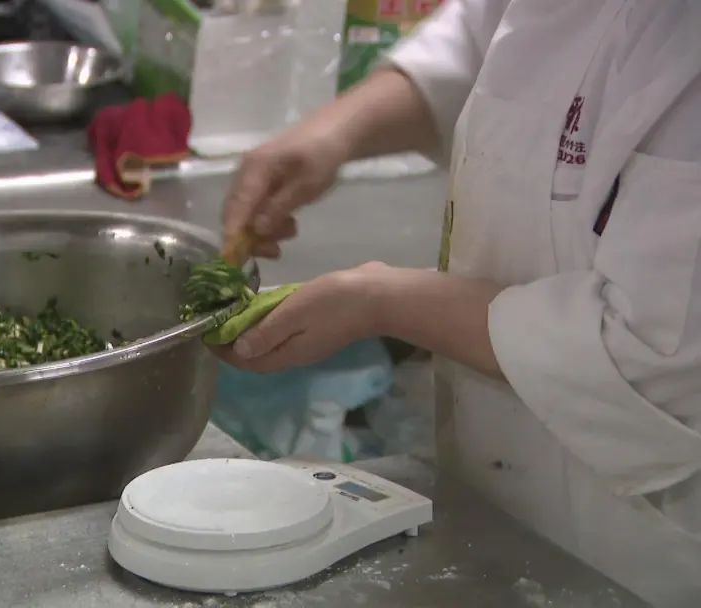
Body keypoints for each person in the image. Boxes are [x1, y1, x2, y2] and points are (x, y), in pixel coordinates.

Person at [217, 1, 701, 606]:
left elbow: (648, 358)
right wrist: (336, 132)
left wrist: (380, 300)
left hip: (629, 545)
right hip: (495, 498)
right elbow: (481, 37)